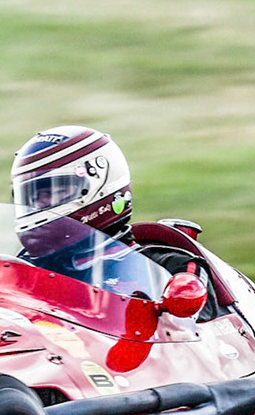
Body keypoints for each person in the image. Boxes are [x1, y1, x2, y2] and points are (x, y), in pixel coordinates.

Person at [10, 125, 162, 298]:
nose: (40, 203)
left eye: (55, 192)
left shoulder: (162, 267)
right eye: (33, 196)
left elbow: (193, 322)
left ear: (101, 185)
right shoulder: (20, 270)